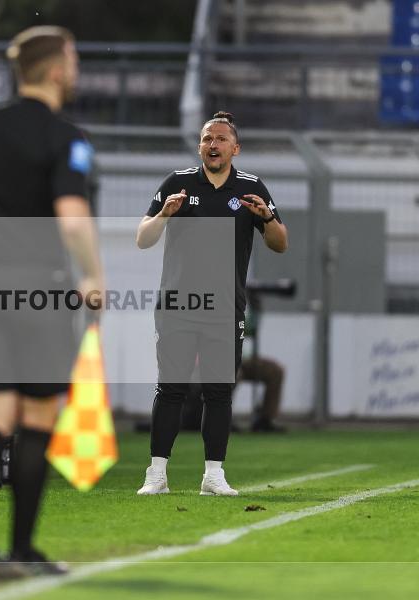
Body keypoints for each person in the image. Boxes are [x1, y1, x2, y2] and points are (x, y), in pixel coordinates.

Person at [0, 26, 103, 581]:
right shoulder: (67, 138)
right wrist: (92, 275)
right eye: (74, 58)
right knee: (38, 419)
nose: (77, 69)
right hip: (41, 285)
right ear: (57, 69)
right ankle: (22, 548)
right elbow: (70, 214)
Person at [135, 111, 288, 497]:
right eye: (207, 139)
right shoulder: (179, 183)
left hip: (224, 307)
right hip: (178, 304)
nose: (213, 145)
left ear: (235, 148)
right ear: (200, 146)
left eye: (220, 139)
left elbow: (280, 242)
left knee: (218, 392)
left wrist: (267, 217)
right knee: (170, 389)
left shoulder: (251, 188)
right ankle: (156, 475)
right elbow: (143, 237)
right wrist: (165, 214)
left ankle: (213, 475)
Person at [238, 292, 286, 433]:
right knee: (233, 374)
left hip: (240, 359)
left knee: (275, 371)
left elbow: (250, 329)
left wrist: (256, 308)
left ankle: (266, 420)